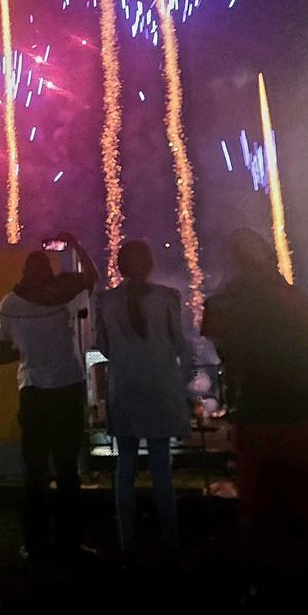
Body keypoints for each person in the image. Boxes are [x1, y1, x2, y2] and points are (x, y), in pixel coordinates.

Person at [202, 228, 308, 601]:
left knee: (262, 507)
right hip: (304, 409)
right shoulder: (291, 298)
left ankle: (267, 586)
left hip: (258, 411)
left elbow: (218, 342)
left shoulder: (226, 302)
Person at [0, 232, 98, 568]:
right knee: (68, 471)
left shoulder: (9, 304)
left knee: (35, 473)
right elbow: (91, 277)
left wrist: (27, 348)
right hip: (68, 388)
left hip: (34, 392)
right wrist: (75, 243)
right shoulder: (63, 297)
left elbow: (1, 356)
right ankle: (71, 543)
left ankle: (35, 545)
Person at [94, 241, 189, 564]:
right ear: (150, 264)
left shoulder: (105, 301)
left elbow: (102, 346)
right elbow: (178, 343)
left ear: (119, 266)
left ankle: (127, 541)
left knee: (125, 467)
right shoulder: (167, 298)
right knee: (161, 466)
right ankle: (171, 539)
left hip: (126, 387)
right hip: (160, 387)